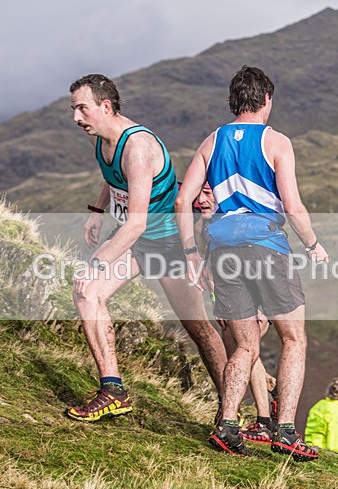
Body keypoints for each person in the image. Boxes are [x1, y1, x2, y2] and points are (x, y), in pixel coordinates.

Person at [175, 65, 329, 460]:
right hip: (266, 246)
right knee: (293, 338)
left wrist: (193, 253)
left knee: (244, 346)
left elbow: (182, 201)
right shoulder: (277, 142)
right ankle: (287, 432)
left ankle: (227, 425)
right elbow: (292, 207)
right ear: (266, 100)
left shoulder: (212, 141)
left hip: (222, 248)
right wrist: (313, 244)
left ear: (234, 100)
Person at [65, 74, 227, 422]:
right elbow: (117, 180)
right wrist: (96, 211)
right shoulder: (103, 139)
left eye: (82, 109)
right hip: (134, 239)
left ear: (105, 107)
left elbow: (137, 221)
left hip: (166, 243)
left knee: (198, 328)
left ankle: (229, 409)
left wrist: (97, 262)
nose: (76, 118)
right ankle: (113, 391)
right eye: (74, 109)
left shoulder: (138, 148)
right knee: (87, 294)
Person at [194, 182, 278, 441]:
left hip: (254, 300)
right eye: (198, 194)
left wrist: (263, 307)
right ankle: (265, 402)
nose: (201, 200)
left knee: (245, 349)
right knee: (245, 351)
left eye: (207, 193)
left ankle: (262, 420)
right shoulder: (202, 227)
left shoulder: (241, 223)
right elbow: (209, 272)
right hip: (230, 300)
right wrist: (216, 301)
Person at [304, 377, 338, 453]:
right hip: (323, 450)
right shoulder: (336, 412)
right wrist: (336, 455)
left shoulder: (318, 405)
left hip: (309, 446)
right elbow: (334, 438)